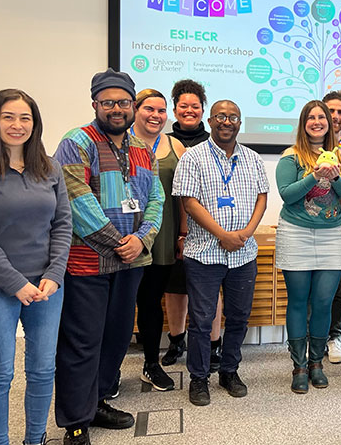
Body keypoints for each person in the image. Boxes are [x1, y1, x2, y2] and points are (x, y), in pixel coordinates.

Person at [53, 69, 164, 445]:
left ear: (132, 105)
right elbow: (76, 199)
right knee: (82, 341)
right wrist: (120, 241)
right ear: (95, 105)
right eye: (108, 102)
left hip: (132, 262)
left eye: (122, 102)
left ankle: (98, 401)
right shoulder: (76, 141)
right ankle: (76, 423)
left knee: (116, 338)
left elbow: (156, 200)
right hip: (87, 263)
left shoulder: (142, 149)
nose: (116, 109)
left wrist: (142, 239)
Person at [0, 89, 72, 445]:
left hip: (47, 288)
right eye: (8, 117)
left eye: (25, 118)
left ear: (35, 124)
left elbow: (63, 224)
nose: (17, 125)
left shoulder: (50, 168)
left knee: (42, 371)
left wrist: (53, 275)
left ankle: (35, 440)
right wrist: (15, 284)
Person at [172, 99, 269, 406]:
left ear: (240, 123)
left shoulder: (253, 159)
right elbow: (189, 202)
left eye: (234, 117)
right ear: (211, 121)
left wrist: (246, 233)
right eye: (221, 117)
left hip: (244, 252)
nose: (227, 122)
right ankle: (199, 378)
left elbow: (262, 198)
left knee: (239, 317)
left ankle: (229, 371)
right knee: (201, 320)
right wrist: (223, 235)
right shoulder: (193, 158)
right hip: (204, 253)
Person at [276, 100, 341, 393]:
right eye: (311, 117)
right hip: (295, 234)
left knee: (323, 302)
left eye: (321, 117)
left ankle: (316, 364)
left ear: (330, 123)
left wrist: (333, 174)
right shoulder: (291, 157)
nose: (317, 122)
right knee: (299, 301)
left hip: (331, 237)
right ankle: (298, 366)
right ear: (303, 123)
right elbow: (287, 195)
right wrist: (314, 174)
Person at [161, 79, 225, 373]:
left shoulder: (216, 142)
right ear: (174, 109)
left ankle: (214, 345)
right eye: (183, 105)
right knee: (175, 288)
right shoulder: (162, 142)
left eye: (195, 106)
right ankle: (177, 341)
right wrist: (180, 233)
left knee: (211, 290)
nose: (189, 110)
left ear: (203, 110)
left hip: (209, 229)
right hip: (171, 226)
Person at [132, 89, 187, 392]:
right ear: (135, 110)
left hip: (164, 235)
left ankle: (151, 364)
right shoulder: (120, 141)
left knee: (152, 301)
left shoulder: (175, 145)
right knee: (124, 304)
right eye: (149, 109)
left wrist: (182, 233)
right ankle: (109, 369)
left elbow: (183, 196)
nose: (156, 116)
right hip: (127, 236)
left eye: (162, 110)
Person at [323, 90, 341, 363]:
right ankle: (314, 337)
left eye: (340, 112)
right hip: (316, 226)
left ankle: (335, 338)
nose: (335, 116)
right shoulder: (308, 146)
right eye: (330, 111)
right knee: (315, 287)